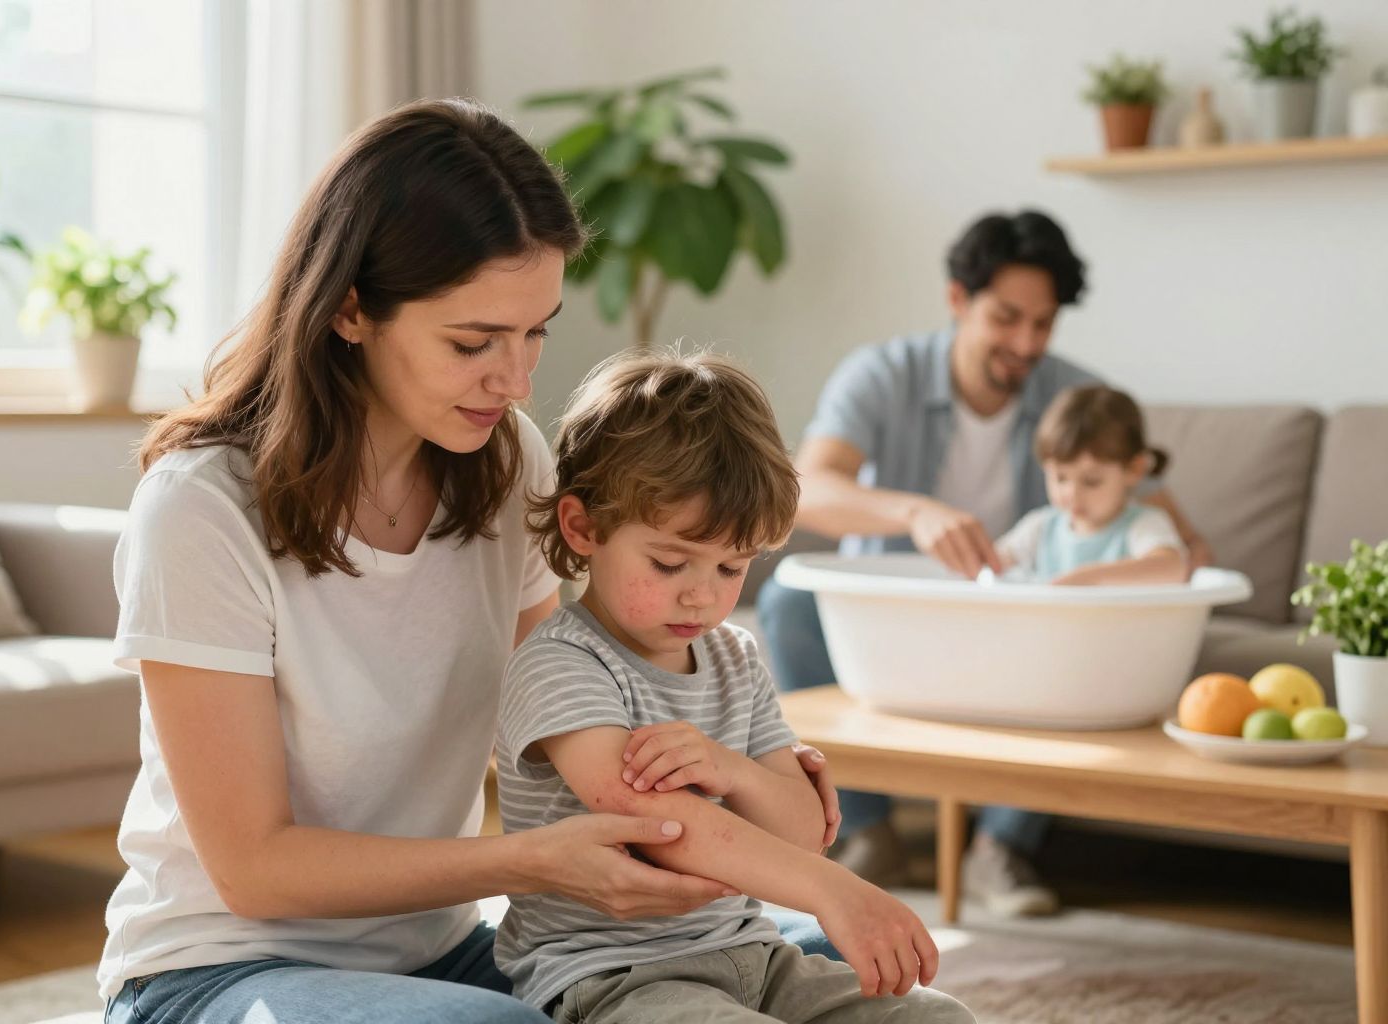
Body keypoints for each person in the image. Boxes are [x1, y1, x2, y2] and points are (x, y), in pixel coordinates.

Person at [98, 99, 840, 1024]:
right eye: (472, 342)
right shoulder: (202, 509)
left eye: (535, 332)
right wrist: (529, 863)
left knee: (818, 951)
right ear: (351, 309)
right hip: (216, 967)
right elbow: (252, 869)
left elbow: (580, 701)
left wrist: (750, 778)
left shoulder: (504, 464)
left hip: (444, 948)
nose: (518, 380)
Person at [495, 349, 975, 1024]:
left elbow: (804, 829)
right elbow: (658, 824)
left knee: (937, 1018)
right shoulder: (559, 664)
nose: (701, 594)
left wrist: (729, 768)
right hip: (615, 981)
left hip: (757, 957)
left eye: (731, 568)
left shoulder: (733, 656)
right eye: (669, 562)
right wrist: (833, 892)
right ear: (583, 528)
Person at [758, 210, 1209, 917]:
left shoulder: (1077, 398)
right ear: (958, 300)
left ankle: (1000, 847)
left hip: (1027, 635)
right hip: (898, 626)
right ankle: (869, 831)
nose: (1026, 343)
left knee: (1077, 641)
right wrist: (912, 512)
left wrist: (1140, 565)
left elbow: (1179, 535)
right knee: (786, 601)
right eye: (1007, 318)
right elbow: (805, 487)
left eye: (1043, 323)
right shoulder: (883, 375)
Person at [995, 385, 1186, 585]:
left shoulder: (1143, 524)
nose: (1072, 494)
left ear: (1134, 470)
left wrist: (1092, 578)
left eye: (1091, 481)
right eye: (1060, 478)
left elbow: (1173, 569)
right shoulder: (1040, 527)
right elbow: (992, 565)